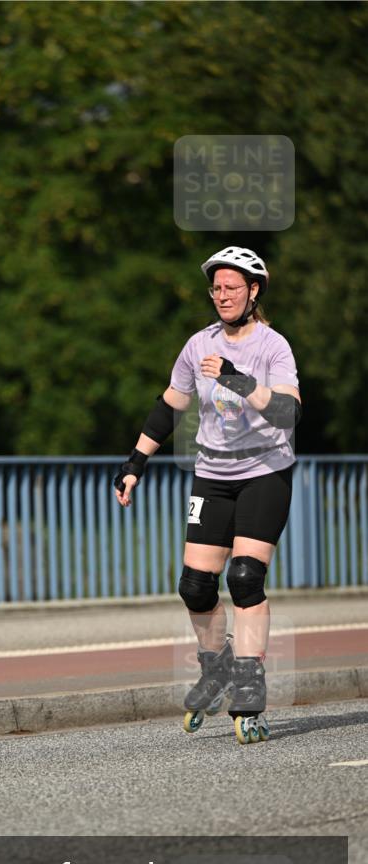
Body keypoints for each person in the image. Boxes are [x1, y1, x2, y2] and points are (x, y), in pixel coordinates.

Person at [113, 246, 302, 745]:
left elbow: (288, 413)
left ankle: (249, 689)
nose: (222, 296)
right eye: (216, 288)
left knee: (244, 578)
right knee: (195, 586)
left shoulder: (273, 346)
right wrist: (134, 465)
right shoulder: (198, 345)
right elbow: (169, 406)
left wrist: (237, 380)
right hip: (211, 475)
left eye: (232, 288)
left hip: (265, 472)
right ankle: (215, 667)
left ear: (253, 291)